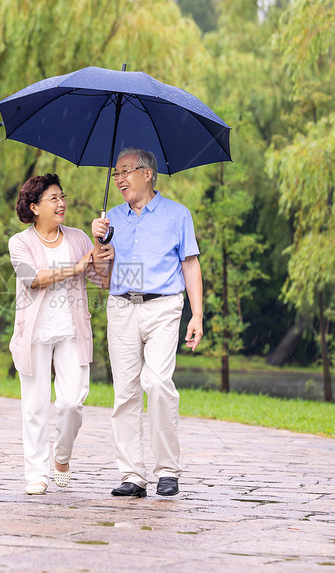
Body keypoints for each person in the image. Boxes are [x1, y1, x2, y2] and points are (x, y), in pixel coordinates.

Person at [91, 148, 203, 498]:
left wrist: (197, 315)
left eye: (126, 171)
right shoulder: (110, 220)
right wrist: (99, 246)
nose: (120, 179)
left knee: (156, 383)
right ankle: (132, 476)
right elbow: (103, 279)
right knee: (125, 394)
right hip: (121, 307)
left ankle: (167, 470)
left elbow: (190, 265)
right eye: (116, 174)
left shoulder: (177, 215)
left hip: (164, 307)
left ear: (148, 174)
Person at [8, 173, 113, 495]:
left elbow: (103, 281)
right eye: (53, 198)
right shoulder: (20, 242)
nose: (62, 203)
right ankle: (36, 474)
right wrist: (77, 267)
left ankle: (62, 458)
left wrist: (101, 249)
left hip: (71, 331)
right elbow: (33, 279)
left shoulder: (79, 237)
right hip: (34, 334)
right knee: (35, 406)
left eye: (62, 196)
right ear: (34, 207)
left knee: (72, 403)